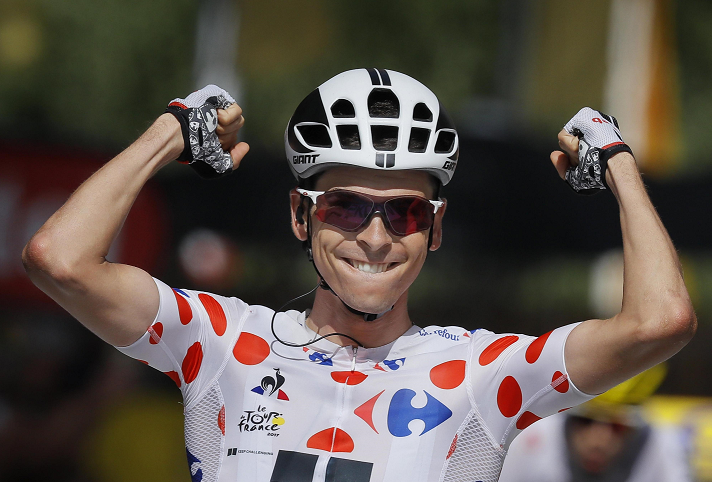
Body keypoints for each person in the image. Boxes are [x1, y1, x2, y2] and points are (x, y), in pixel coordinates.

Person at [22, 70, 696, 482]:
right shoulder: (220, 338)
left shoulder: (483, 371)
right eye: (345, 207)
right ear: (300, 216)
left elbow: (659, 323)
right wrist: (168, 134)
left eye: (404, 214)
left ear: (435, 229)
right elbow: (60, 260)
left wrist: (617, 163)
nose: (374, 238)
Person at [498, 364, 692, 482]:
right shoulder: (532, 439)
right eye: (585, 421)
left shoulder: (662, 444)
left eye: (617, 427)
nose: (598, 440)